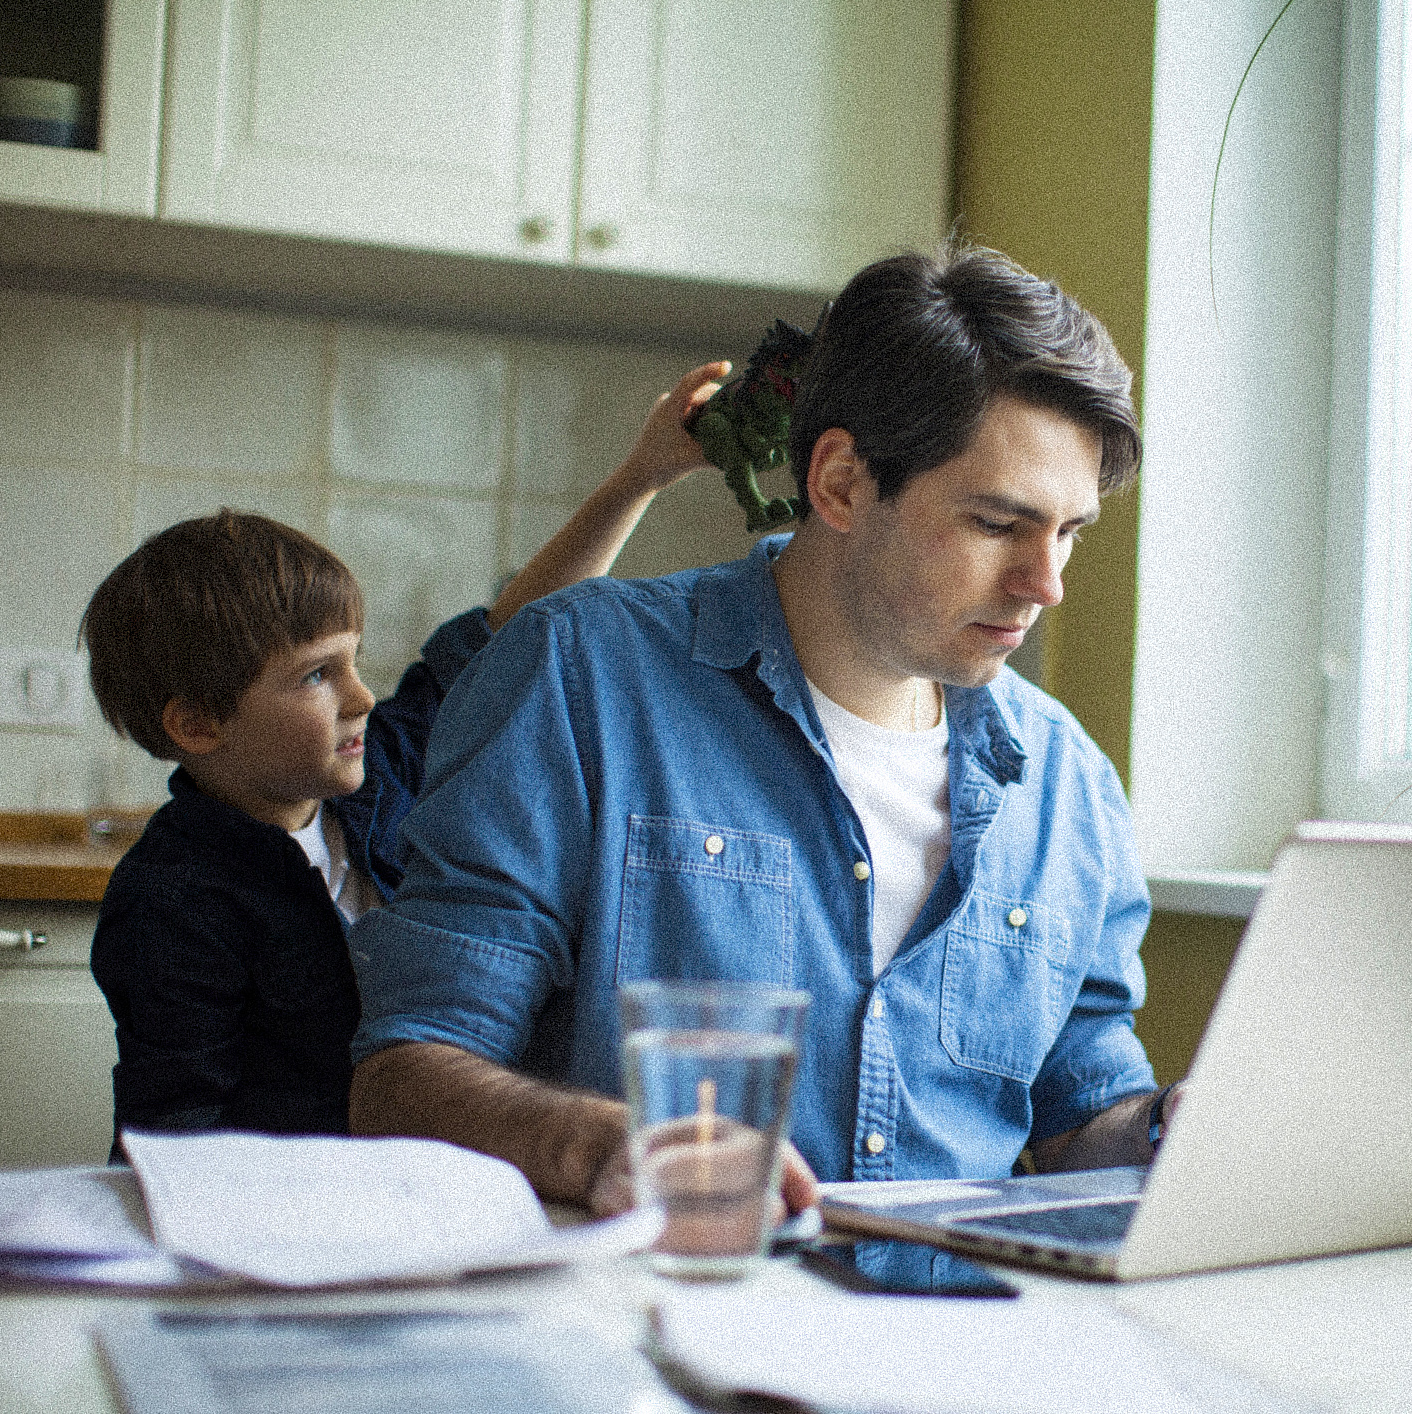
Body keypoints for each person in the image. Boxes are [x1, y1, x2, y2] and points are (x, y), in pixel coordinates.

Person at [348, 244, 1175, 1218]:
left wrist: (1177, 1130)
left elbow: (1085, 1123)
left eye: (1070, 531)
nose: (1048, 585)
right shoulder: (579, 676)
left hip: (960, 1354)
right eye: (999, 523)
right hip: (657, 1343)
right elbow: (400, 1080)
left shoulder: (1067, 782)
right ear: (839, 482)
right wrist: (592, 1141)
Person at [79, 361, 730, 1147]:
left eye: (353, 661)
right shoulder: (169, 899)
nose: (360, 697)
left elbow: (510, 632)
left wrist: (642, 475)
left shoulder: (377, 769)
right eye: (316, 676)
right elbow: (170, 1136)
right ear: (196, 725)